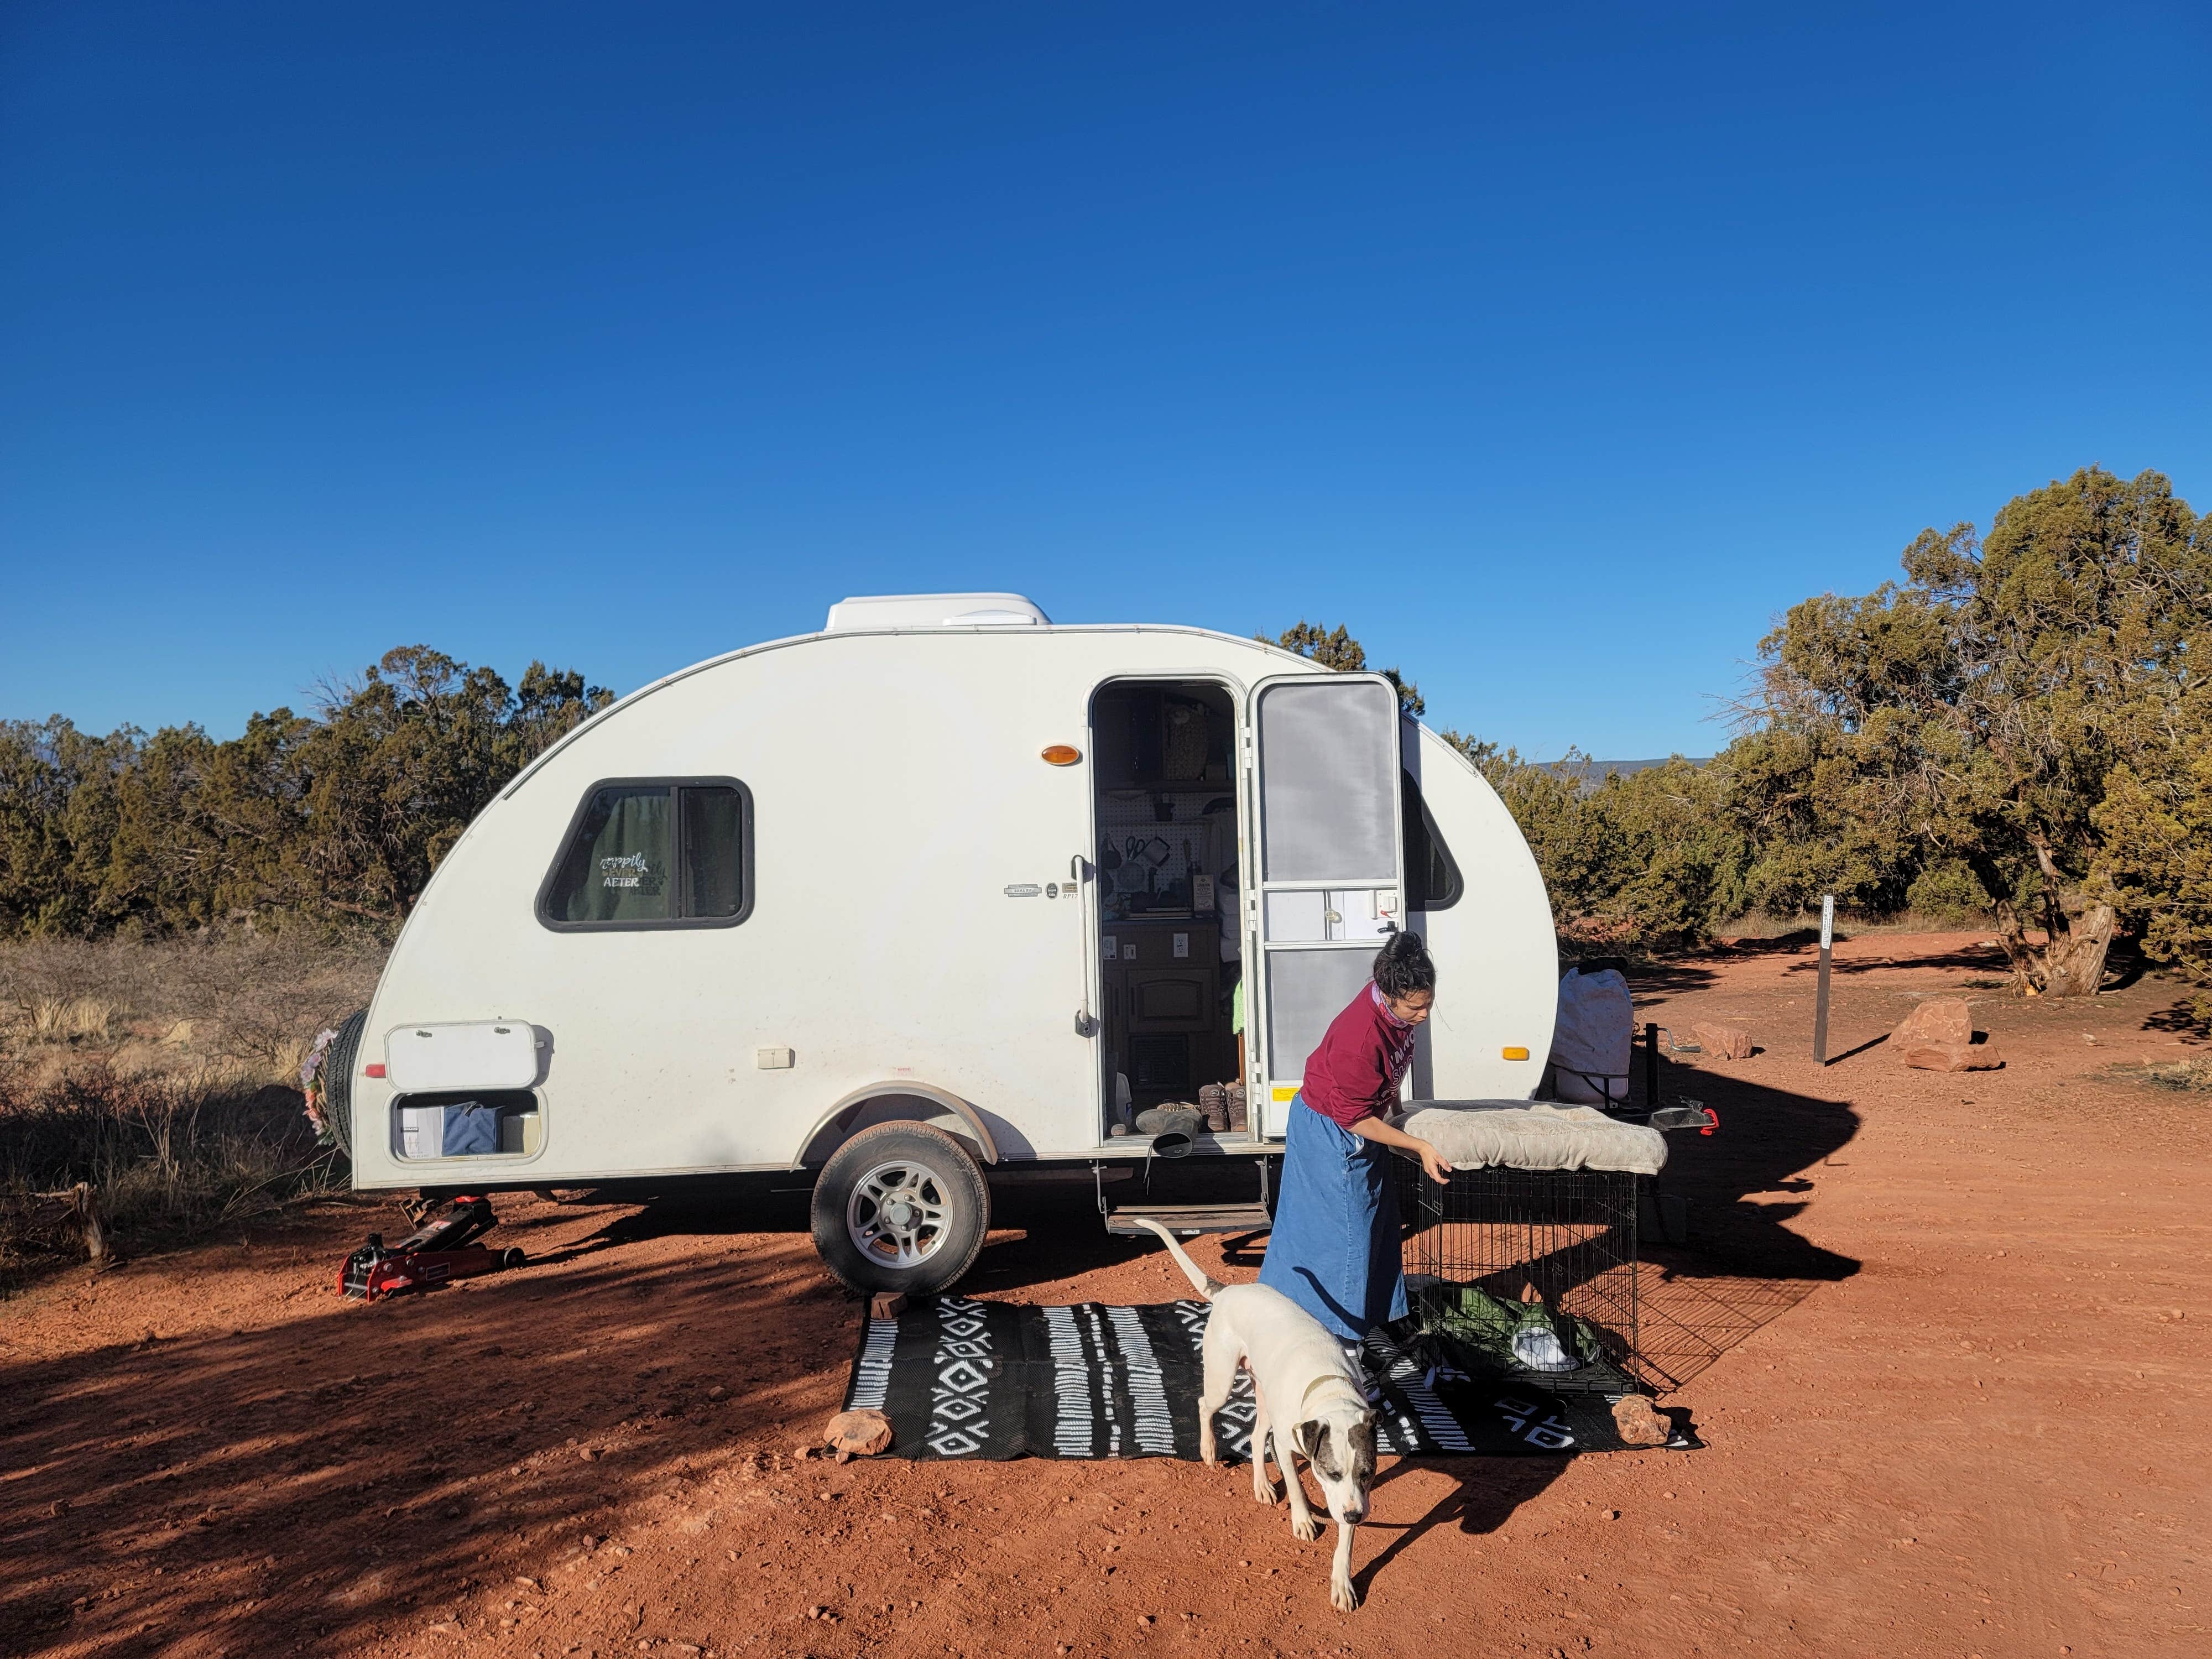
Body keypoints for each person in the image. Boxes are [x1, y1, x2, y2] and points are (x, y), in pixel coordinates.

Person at [1258, 930, 1453, 1370]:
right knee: (1347, 1235)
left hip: (1355, 1125)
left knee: (1376, 1225)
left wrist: (1398, 1112)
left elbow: (1389, 1074)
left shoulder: (1396, 1016)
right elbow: (1353, 1117)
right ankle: (1342, 1344)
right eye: (1416, 1007)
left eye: (1428, 1003)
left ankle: (1355, 1319)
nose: (1424, 1014)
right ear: (1390, 996)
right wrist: (1418, 1145)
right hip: (1331, 1132)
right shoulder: (1361, 1036)